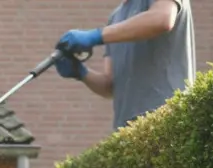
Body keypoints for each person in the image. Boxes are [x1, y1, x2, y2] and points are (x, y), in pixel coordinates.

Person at [55, 0, 196, 131]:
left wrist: (97, 35)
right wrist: (81, 72)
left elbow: (162, 19)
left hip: (167, 117)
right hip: (126, 129)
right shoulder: (116, 17)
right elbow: (109, 86)